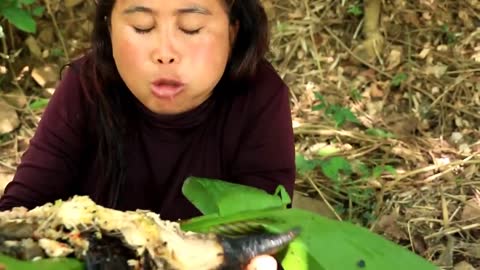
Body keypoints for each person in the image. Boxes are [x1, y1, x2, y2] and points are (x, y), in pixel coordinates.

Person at [0, 0, 296, 269]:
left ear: (232, 31)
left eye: (191, 28)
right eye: (142, 27)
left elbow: (262, 232)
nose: (165, 53)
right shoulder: (86, 88)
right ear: (109, 29)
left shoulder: (260, 98)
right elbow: (19, 213)